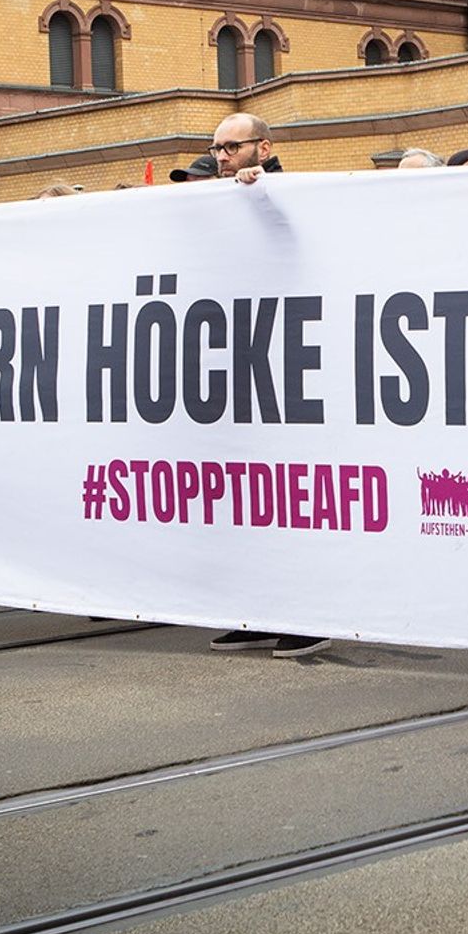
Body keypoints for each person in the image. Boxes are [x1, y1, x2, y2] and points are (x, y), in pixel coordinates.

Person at [201, 115, 324, 657]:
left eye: (232, 146)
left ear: (264, 147)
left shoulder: (288, 191)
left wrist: (268, 185)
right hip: (245, 367)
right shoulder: (221, 200)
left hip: (295, 363)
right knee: (249, 499)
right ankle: (257, 610)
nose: (223, 155)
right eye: (216, 148)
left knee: (297, 496)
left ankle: (310, 612)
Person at [214, 112, 287, 185]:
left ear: (264, 150)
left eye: (233, 147)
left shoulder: (286, 190)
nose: (221, 158)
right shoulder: (216, 191)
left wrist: (266, 182)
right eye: (218, 149)